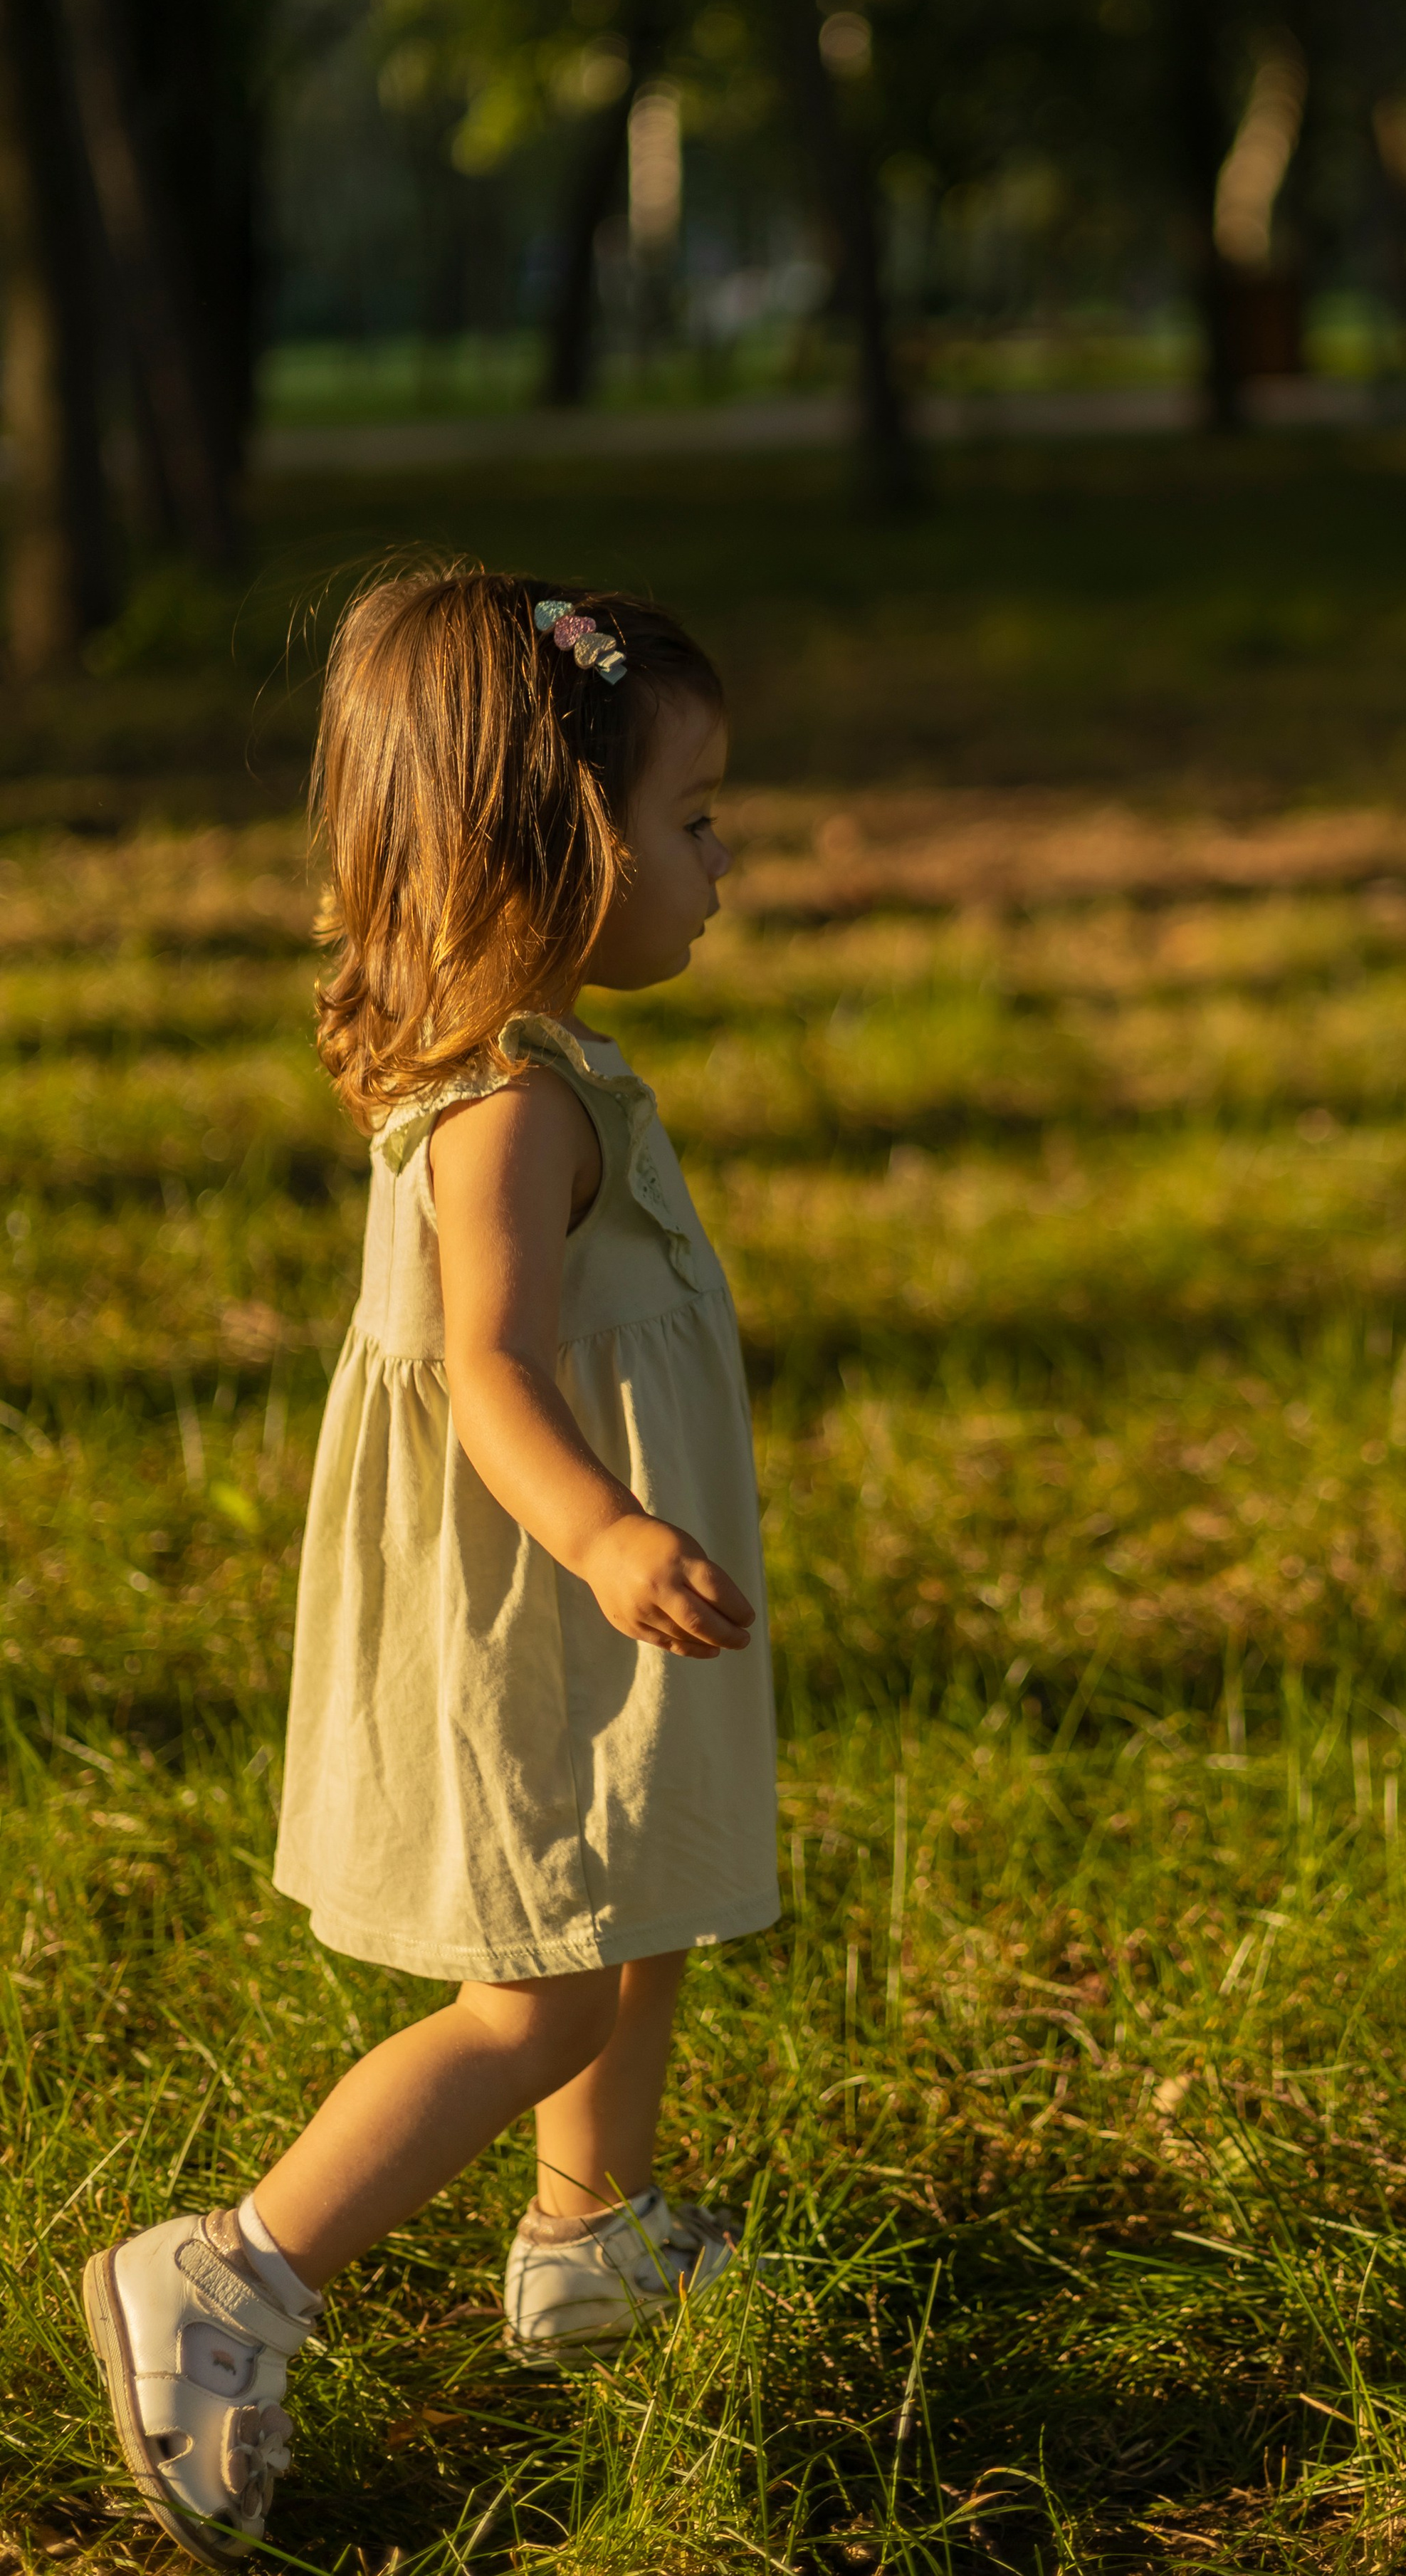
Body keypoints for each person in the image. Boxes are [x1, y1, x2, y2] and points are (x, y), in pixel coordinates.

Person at [82, 570, 779, 2567]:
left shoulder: (537, 1059)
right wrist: (611, 1530)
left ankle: (592, 2231)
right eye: (694, 818)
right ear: (560, 845)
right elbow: (483, 1367)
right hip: (531, 1596)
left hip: (580, 1586)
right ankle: (225, 2277)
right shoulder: (503, 1108)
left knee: (635, 1902)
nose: (722, 859)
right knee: (539, 1991)